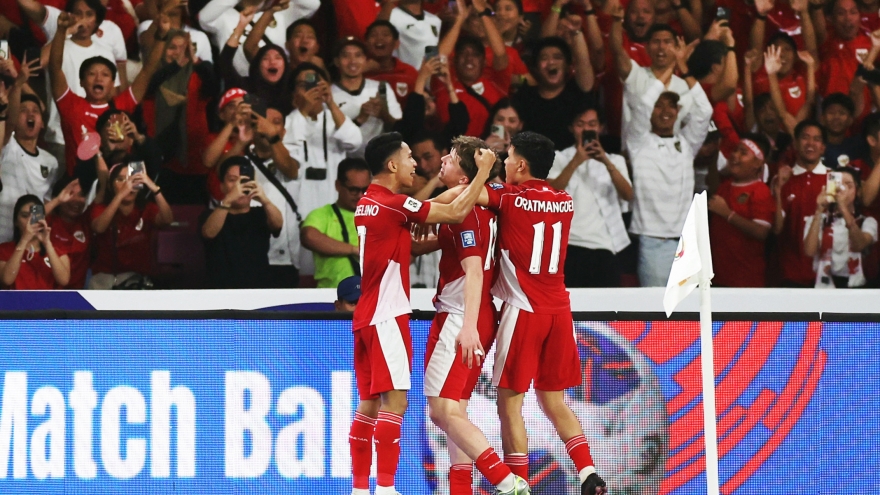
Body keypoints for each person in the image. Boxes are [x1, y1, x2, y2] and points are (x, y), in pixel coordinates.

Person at [448, 131, 607, 495]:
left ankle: (518, 484)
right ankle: (587, 472)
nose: (503, 164)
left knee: (510, 404)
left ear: (520, 165)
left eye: (507, 159)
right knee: (553, 400)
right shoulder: (564, 200)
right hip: (560, 312)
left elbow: (464, 197)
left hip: (523, 310)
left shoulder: (508, 198)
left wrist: (481, 170)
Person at [348, 132, 495, 495]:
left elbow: (411, 245)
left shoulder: (368, 203)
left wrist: (439, 235)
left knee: (368, 405)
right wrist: (484, 172)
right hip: (387, 313)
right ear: (392, 164)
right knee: (395, 403)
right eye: (409, 157)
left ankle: (360, 488)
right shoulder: (395, 203)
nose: (416, 164)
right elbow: (456, 212)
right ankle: (385, 488)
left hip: (367, 314)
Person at [423, 136, 527, 495]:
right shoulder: (477, 204)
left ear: (466, 177)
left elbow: (474, 272)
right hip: (472, 313)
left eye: (451, 158)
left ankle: (507, 482)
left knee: (442, 410)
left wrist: (467, 328)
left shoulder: (466, 212)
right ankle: (461, 490)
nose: (443, 160)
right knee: (455, 411)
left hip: (462, 315)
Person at [626, 42, 713, 287]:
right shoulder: (638, 141)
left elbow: (705, 111)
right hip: (652, 241)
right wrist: (671, 66)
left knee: (687, 309)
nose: (665, 111)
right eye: (659, 105)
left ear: (678, 111)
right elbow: (642, 105)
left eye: (671, 105)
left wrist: (684, 69)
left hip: (686, 242)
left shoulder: (687, 144)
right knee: (656, 306)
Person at [49, 10, 166, 175]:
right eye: (91, 74)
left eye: (105, 75)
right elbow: (55, 69)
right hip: (82, 184)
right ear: (81, 82)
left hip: (124, 179)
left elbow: (147, 71)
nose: (98, 78)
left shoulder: (122, 105)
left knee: (150, 166)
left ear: (113, 83)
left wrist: (162, 37)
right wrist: (61, 31)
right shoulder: (70, 106)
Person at [548, 105, 633, 287]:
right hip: (569, 245)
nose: (586, 129)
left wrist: (606, 161)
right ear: (571, 128)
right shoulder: (558, 158)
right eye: (580, 124)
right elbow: (550, 194)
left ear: (601, 128)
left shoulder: (615, 160)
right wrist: (575, 161)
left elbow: (628, 195)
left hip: (605, 246)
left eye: (592, 124)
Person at [200, 156, 284, 289]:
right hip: (220, 290)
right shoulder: (210, 215)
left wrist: (265, 200)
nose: (239, 186)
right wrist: (227, 200)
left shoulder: (261, 213)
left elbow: (277, 225)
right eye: (232, 180)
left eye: (244, 180)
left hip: (258, 289)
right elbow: (209, 233)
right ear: (222, 187)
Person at [88, 160, 173, 289]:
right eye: (120, 179)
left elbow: (167, 219)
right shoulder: (101, 208)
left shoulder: (146, 208)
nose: (127, 184)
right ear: (111, 185)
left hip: (137, 279)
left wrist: (154, 188)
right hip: (105, 278)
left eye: (132, 179)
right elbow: (99, 228)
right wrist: (121, 195)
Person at [708, 135, 775, 287]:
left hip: (746, 280)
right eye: (735, 150)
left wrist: (728, 214)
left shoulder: (760, 191)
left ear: (757, 163)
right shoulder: (725, 186)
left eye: (743, 153)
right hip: (717, 278)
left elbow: (761, 231)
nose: (735, 155)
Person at [512, 33, 595, 151]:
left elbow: (584, 62)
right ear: (536, 67)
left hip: (575, 159)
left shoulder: (577, 94)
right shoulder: (524, 98)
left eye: (557, 57)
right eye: (544, 58)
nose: (551, 62)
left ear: (567, 66)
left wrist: (576, 33)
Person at [773, 120, 830, 287]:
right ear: (795, 144)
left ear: (823, 147)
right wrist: (778, 190)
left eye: (817, 139)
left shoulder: (834, 179)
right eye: (805, 137)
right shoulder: (782, 180)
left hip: (828, 275)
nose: (810, 143)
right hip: (789, 273)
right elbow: (776, 229)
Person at [300, 158, 371, 289]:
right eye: (353, 190)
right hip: (330, 295)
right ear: (338, 185)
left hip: (372, 295)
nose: (360, 196)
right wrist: (354, 250)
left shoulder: (378, 215)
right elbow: (309, 236)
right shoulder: (323, 214)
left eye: (365, 189)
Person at [0, 93, 60, 243]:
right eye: (23, 110)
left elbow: (44, 202)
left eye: (35, 111)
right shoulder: (7, 145)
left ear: (43, 123)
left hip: (29, 240)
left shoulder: (51, 162)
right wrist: (18, 86)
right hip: (2, 233)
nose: (30, 114)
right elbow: (8, 125)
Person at [803, 166, 877, 287]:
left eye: (848, 185)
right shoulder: (818, 219)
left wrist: (843, 207)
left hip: (857, 287)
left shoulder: (868, 221)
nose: (841, 189)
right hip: (824, 285)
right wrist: (819, 210)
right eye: (838, 184)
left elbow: (859, 245)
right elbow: (809, 251)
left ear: (857, 191)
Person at [331, 37, 402, 158]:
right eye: (346, 56)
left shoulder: (381, 88)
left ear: (365, 60)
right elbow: (328, 138)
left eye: (358, 55)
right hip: (343, 162)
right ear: (337, 61)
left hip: (377, 161)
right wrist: (360, 118)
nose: (353, 61)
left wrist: (383, 114)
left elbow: (399, 129)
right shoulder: (329, 95)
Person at [0, 195, 71, 289]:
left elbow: (64, 280)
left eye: (35, 216)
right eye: (25, 216)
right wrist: (24, 240)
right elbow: (7, 280)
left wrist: (47, 243)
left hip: (46, 298)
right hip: (16, 298)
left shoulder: (58, 251)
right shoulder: (4, 249)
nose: (30, 221)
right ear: (16, 221)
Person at [44, 177, 91, 289]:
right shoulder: (47, 222)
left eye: (81, 195)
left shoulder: (87, 221)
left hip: (76, 294)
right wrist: (57, 200)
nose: (77, 200)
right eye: (70, 194)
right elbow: (29, 220)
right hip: (47, 290)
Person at [363, 20, 419, 109]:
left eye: (385, 35)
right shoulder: (358, 73)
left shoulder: (409, 72)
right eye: (373, 35)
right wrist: (361, 70)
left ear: (396, 44)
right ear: (366, 43)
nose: (379, 39)